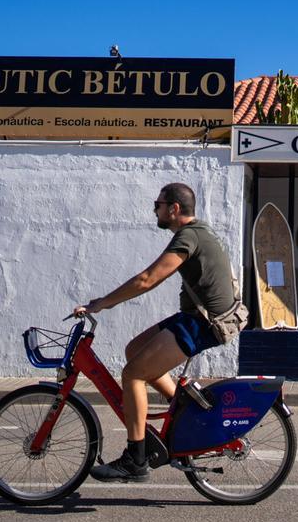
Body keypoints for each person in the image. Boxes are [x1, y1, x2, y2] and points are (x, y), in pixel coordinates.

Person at [73, 182, 236, 482]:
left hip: (204, 322)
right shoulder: (197, 231)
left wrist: (102, 303)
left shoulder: (189, 236)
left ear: (174, 209)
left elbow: (148, 279)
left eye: (157, 205)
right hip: (195, 316)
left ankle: (135, 459)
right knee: (134, 350)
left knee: (133, 374)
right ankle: (186, 408)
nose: (155, 210)